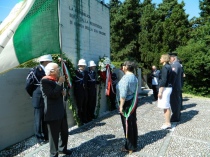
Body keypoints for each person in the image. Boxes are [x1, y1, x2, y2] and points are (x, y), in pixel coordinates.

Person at [40, 63, 72, 157]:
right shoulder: (45, 81)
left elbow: (59, 94)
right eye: (57, 69)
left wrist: (64, 94)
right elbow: (51, 95)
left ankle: (63, 149)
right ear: (51, 71)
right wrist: (59, 83)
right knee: (54, 136)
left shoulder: (56, 80)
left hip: (61, 111)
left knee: (64, 132)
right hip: (52, 113)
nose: (59, 70)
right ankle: (53, 154)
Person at [117, 61, 138, 155]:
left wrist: (121, 106)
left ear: (126, 67)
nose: (122, 66)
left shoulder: (126, 78)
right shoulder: (134, 76)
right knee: (132, 123)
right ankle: (133, 143)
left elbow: (123, 95)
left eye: (123, 65)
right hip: (132, 102)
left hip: (126, 104)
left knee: (127, 125)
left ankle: (130, 147)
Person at [32, 54, 52, 145]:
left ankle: (46, 135)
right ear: (44, 61)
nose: (50, 63)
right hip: (38, 97)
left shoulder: (48, 71)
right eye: (49, 61)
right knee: (38, 119)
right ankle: (39, 138)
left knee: (45, 117)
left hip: (45, 97)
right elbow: (28, 84)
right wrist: (33, 94)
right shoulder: (36, 70)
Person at [158, 54, 173, 129]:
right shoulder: (169, 66)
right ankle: (167, 121)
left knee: (165, 106)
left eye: (161, 58)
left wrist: (160, 91)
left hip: (165, 88)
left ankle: (167, 123)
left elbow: (164, 80)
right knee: (167, 105)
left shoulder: (165, 67)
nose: (160, 59)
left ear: (164, 59)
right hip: (168, 88)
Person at [73, 59, 88, 124]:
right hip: (78, 92)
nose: (84, 67)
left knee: (85, 105)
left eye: (84, 65)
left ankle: (84, 118)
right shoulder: (75, 72)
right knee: (79, 106)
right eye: (82, 65)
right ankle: (80, 119)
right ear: (79, 65)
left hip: (85, 92)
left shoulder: (86, 72)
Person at [170, 53, 183, 122]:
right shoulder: (178, 64)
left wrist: (170, 85)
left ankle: (175, 117)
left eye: (170, 58)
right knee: (177, 101)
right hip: (177, 86)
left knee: (174, 102)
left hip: (175, 87)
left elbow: (173, 76)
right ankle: (177, 115)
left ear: (173, 58)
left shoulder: (175, 65)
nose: (169, 59)